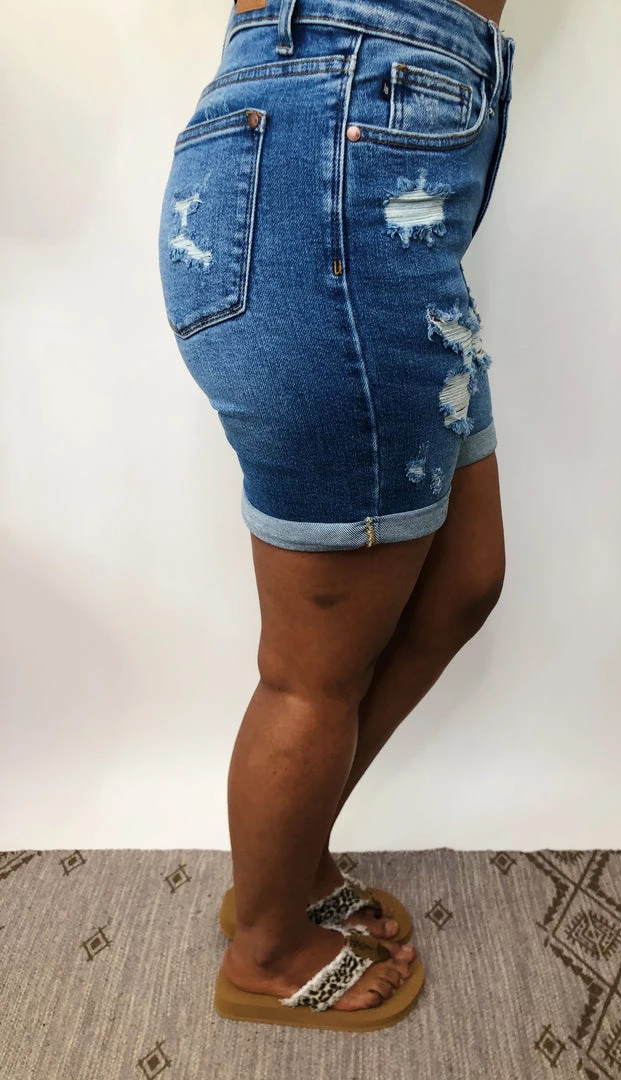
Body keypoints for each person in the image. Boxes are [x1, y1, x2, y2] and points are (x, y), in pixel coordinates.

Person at [157, 0, 515, 1031]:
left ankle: (290, 864)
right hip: (340, 135)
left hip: (394, 156)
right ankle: (267, 948)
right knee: (314, 666)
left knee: (463, 580)